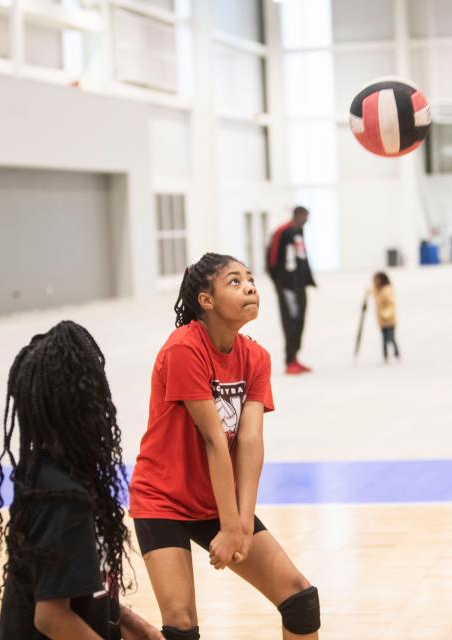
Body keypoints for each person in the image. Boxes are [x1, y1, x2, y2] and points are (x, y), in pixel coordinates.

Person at [129, 253, 321, 640]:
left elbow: (249, 441)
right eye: (234, 281)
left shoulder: (257, 357)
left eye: (250, 279)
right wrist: (231, 525)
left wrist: (243, 524)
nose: (249, 286)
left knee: (300, 599)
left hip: (215, 499)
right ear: (206, 300)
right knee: (181, 625)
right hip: (163, 498)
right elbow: (215, 439)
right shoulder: (184, 348)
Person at [0, 320, 162, 639]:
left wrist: (137, 628)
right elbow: (52, 617)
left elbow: (79, 590)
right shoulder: (58, 493)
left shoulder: (63, 478)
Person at [267, 206, 316, 374]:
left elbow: (301, 256)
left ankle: (295, 357)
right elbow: (272, 259)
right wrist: (280, 283)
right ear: (298, 215)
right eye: (305, 217)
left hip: (300, 285)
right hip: (287, 286)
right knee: (290, 321)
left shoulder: (299, 231)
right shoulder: (282, 232)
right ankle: (289, 361)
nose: (307, 220)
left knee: (300, 320)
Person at [370, 271, 399, 362]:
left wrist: (387, 313)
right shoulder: (378, 290)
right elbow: (374, 291)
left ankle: (396, 353)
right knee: (383, 339)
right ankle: (385, 356)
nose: (375, 283)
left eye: (376, 280)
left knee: (390, 338)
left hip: (389, 320)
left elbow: (391, 304)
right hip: (382, 321)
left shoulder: (387, 290)